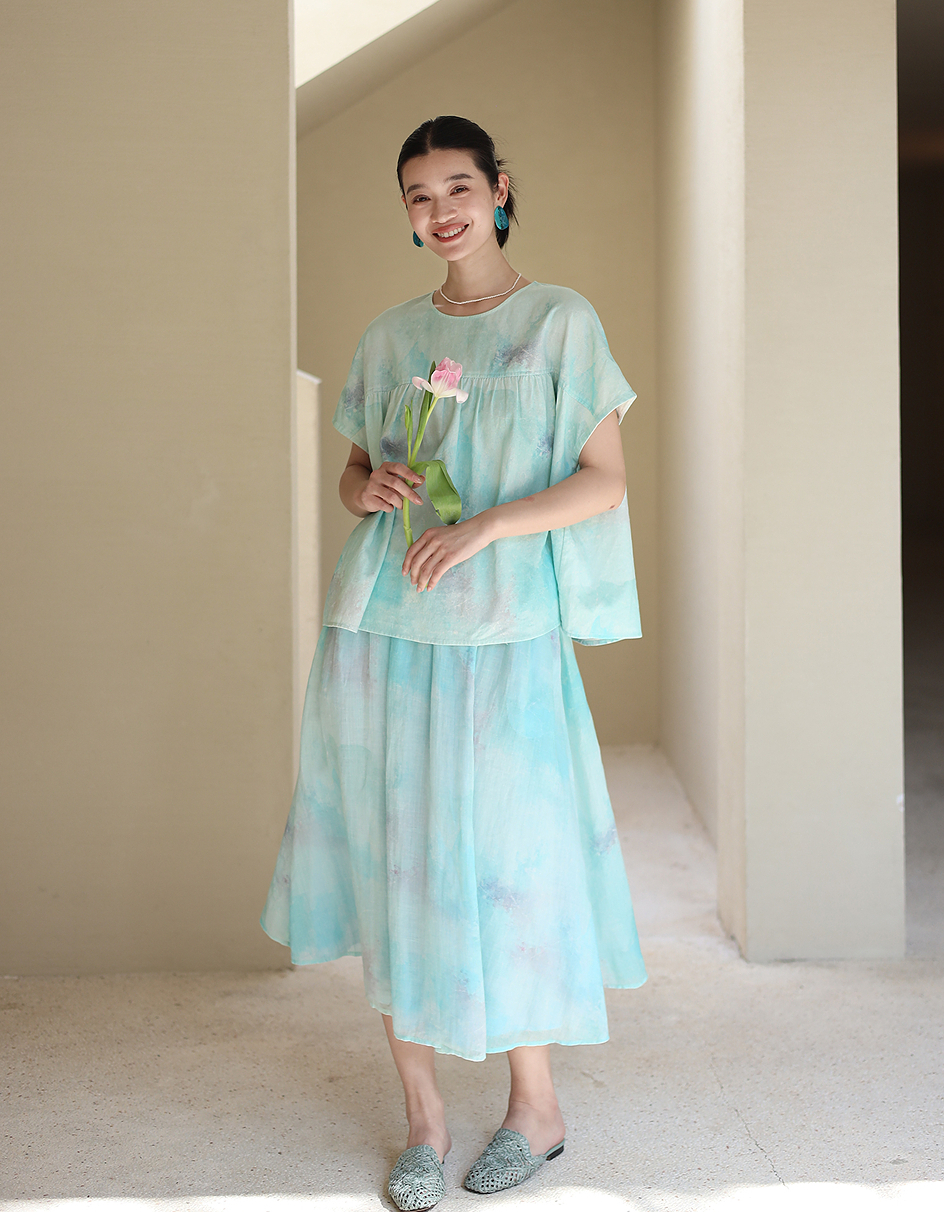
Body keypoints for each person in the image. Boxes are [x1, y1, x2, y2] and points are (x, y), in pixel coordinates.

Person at [261, 115, 646, 1210]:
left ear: (500, 190)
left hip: (505, 634)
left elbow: (604, 480)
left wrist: (486, 527)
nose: (441, 211)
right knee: (401, 862)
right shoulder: (390, 337)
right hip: (383, 630)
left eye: (459, 188)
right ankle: (423, 1121)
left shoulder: (560, 321)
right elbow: (354, 475)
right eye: (420, 195)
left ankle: (537, 1109)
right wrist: (369, 489)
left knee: (511, 862)